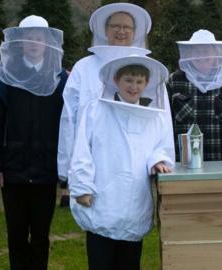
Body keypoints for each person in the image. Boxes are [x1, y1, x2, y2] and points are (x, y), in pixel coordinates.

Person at [68, 54, 174, 270]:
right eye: (128, 80)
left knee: (129, 263)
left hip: (134, 203)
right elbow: (82, 150)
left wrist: (158, 160)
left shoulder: (155, 116)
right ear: (116, 80)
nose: (133, 86)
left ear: (146, 84)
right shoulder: (96, 110)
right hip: (101, 200)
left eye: (139, 81)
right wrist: (81, 187)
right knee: (101, 262)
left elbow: (161, 146)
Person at [0, 15, 67, 270]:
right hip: (14, 169)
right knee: (17, 236)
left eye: (39, 37)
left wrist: (65, 169)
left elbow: (67, 126)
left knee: (41, 236)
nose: (34, 42)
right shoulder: (5, 77)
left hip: (46, 168)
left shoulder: (60, 78)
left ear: (47, 42)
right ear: (20, 42)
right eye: (29, 38)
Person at [57, 3, 152, 184]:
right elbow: (68, 117)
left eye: (127, 27)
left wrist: (159, 159)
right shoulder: (84, 67)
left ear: (135, 31)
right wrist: (67, 167)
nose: (121, 31)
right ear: (105, 30)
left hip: (135, 160)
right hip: (90, 160)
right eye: (115, 26)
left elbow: (158, 117)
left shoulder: (148, 67)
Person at [168, 29, 222, 161]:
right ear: (189, 54)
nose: (202, 56)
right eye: (197, 51)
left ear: (216, 53)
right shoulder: (175, 81)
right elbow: (165, 124)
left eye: (207, 51)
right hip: (184, 165)